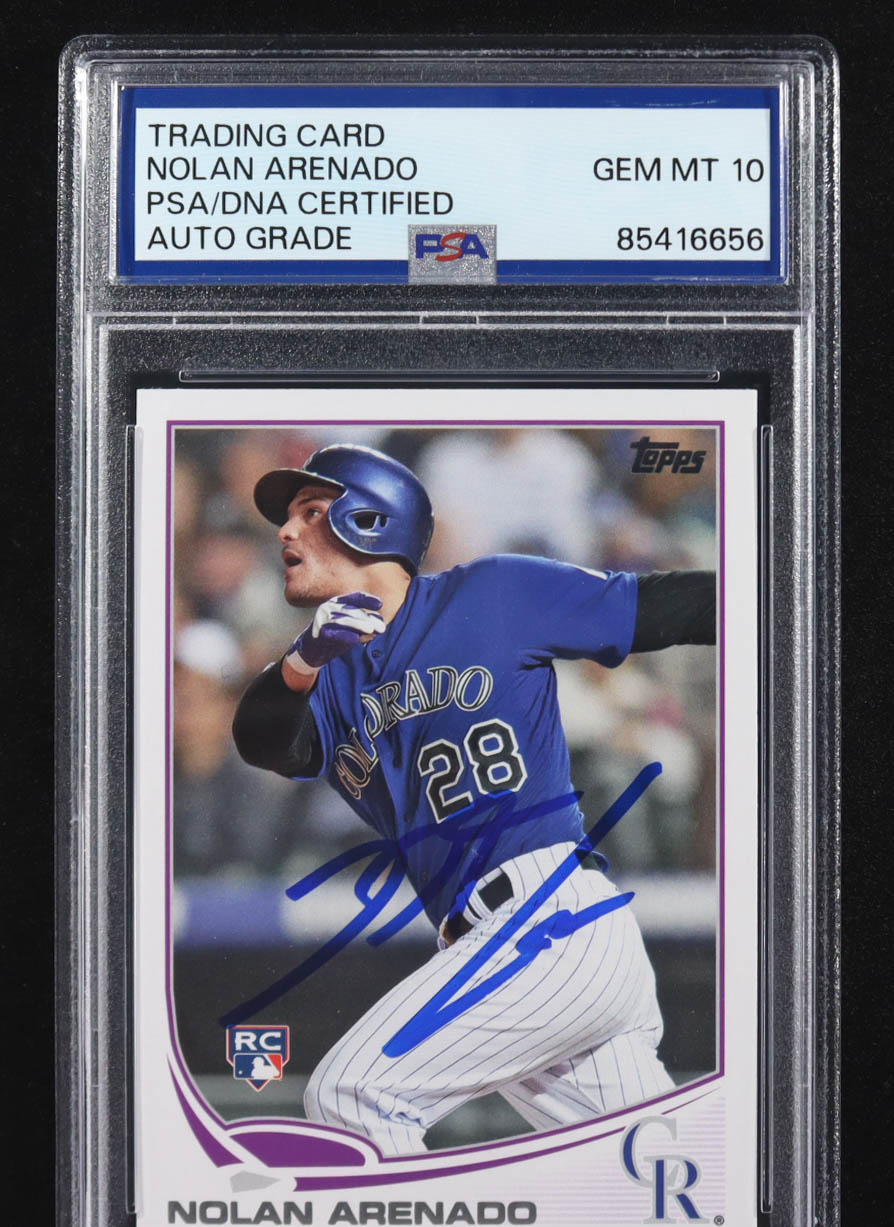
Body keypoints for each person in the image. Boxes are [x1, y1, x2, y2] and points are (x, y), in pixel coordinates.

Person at [233, 444, 715, 1155]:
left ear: (370, 520)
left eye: (310, 512)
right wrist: (303, 659)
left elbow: (673, 606)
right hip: (511, 950)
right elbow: (260, 740)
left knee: (353, 1094)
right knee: (657, 1181)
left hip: (549, 918)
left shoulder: (489, 593)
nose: (285, 531)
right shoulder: (327, 682)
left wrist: (805, 605)